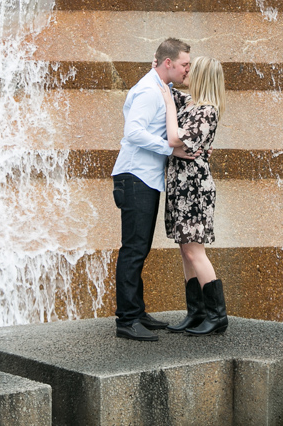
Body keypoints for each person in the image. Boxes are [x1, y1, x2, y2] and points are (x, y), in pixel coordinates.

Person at [111, 38, 197, 341]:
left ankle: (136, 311)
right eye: (185, 64)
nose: (188, 69)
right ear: (168, 64)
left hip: (141, 178)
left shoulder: (161, 88)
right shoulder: (150, 91)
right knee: (134, 249)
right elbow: (132, 131)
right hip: (135, 178)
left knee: (139, 248)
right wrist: (169, 150)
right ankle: (127, 319)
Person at [159, 55, 228, 335]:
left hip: (195, 187)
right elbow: (162, 84)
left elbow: (176, 139)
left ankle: (217, 316)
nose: (185, 71)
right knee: (184, 249)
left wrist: (167, 104)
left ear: (201, 77)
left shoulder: (208, 110)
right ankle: (196, 313)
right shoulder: (188, 104)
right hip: (179, 184)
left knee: (193, 249)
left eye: (191, 69)